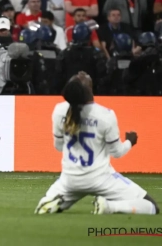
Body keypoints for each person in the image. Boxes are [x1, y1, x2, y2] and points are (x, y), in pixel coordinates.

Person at [34, 71, 159, 215]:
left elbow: (58, 146)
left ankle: (54, 202)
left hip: (70, 180)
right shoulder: (105, 115)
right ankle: (109, 207)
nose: (81, 73)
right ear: (89, 90)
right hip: (101, 179)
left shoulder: (59, 111)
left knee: (44, 206)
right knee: (151, 206)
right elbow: (117, 152)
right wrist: (130, 141)